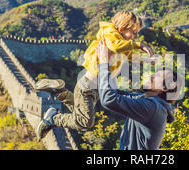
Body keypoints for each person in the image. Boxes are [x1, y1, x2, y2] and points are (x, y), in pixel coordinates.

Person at [35, 11, 156, 140]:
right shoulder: (110, 36)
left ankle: (59, 91)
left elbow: (129, 55)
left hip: (94, 89)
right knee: (85, 122)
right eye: (134, 32)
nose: (136, 37)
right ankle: (53, 118)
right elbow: (115, 47)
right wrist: (139, 45)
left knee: (79, 112)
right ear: (121, 29)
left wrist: (146, 60)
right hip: (87, 86)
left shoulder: (122, 43)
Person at [97, 39, 179, 150]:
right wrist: (112, 63)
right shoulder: (144, 99)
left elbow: (109, 99)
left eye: (157, 76)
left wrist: (103, 63)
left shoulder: (152, 107)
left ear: (164, 88)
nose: (151, 76)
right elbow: (114, 92)